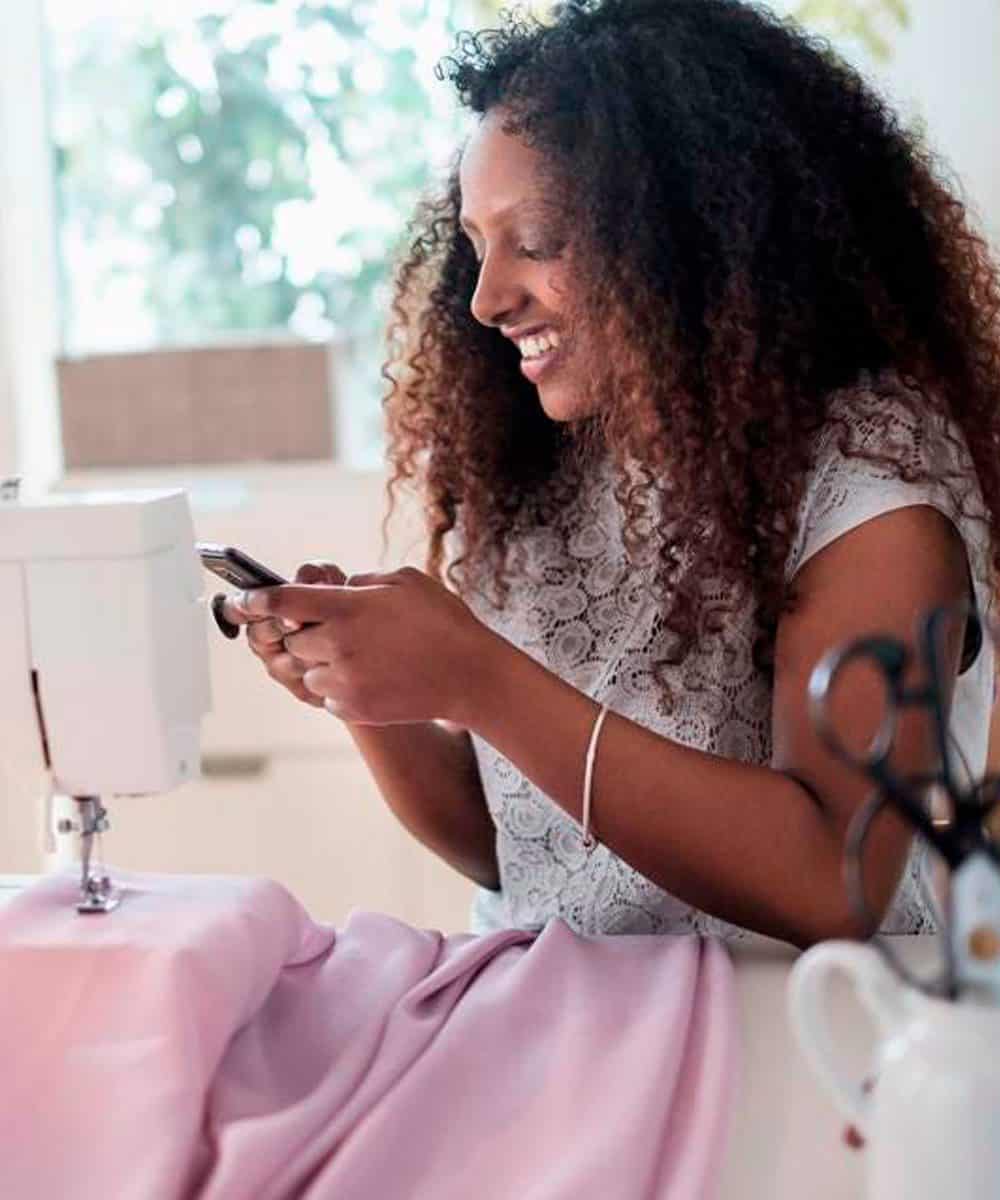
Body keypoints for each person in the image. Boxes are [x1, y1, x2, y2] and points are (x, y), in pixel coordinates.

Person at [224, 0, 1000, 950]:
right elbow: (516, 851)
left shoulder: (872, 467)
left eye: (537, 241)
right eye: (476, 247)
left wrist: (477, 676)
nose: (486, 299)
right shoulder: (542, 470)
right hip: (565, 1007)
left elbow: (831, 881)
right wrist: (367, 692)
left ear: (692, 231)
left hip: (787, 1027)